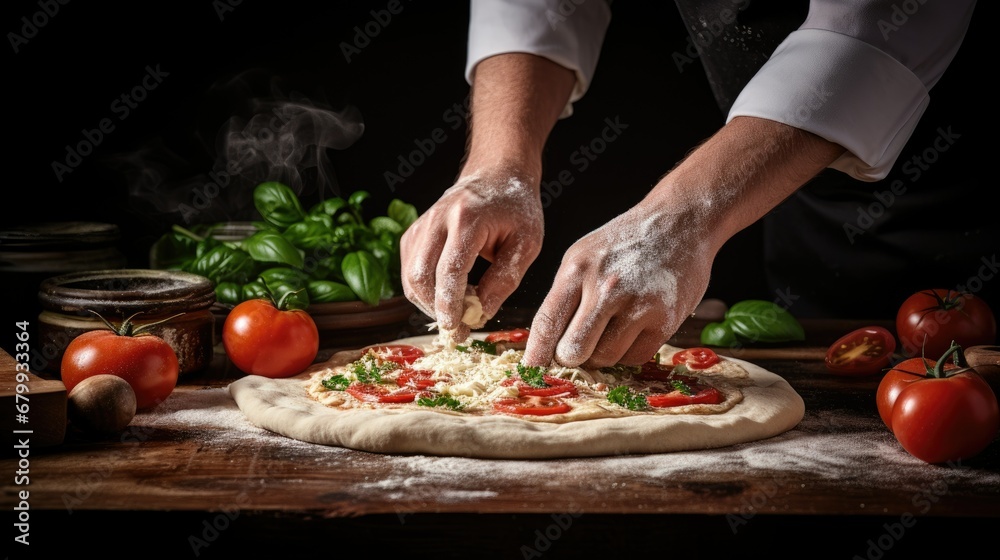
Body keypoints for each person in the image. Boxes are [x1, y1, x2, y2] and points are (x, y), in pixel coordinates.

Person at [399, 0, 983, 369]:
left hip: (959, 191)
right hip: (791, 192)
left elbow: (875, 26)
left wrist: (678, 216)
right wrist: (499, 166)